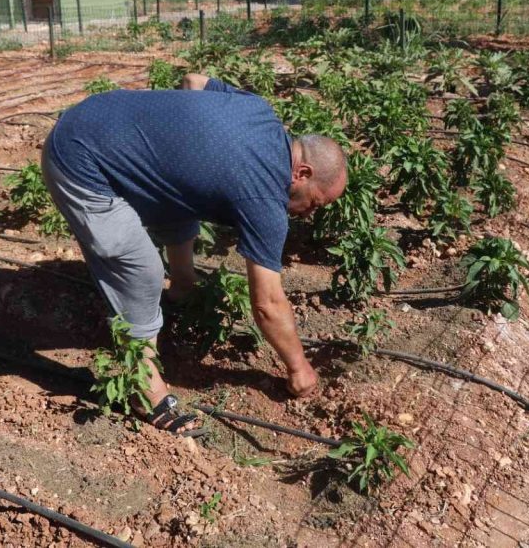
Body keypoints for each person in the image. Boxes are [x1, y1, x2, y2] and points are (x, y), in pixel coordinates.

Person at [41, 73, 347, 436]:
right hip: (78, 162)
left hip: (95, 113)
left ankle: (182, 288)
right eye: (315, 202)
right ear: (303, 172)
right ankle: (145, 389)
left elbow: (192, 81)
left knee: (185, 191)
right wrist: (300, 369)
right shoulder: (265, 196)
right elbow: (267, 305)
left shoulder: (260, 111)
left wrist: (180, 134)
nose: (309, 213)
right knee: (141, 270)